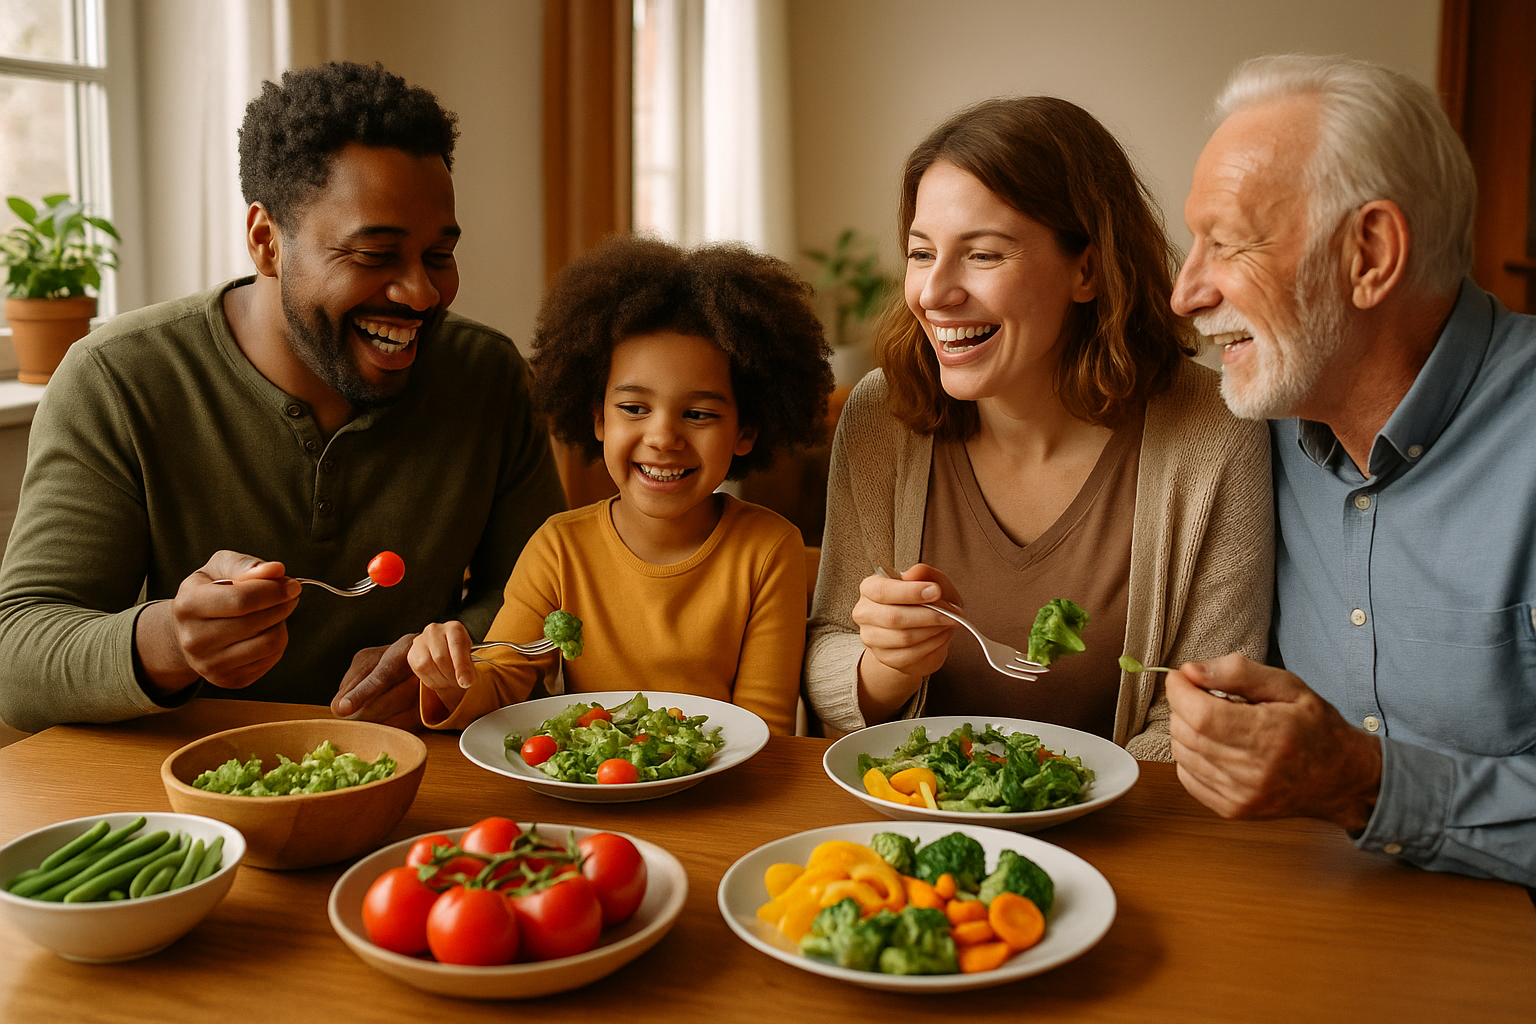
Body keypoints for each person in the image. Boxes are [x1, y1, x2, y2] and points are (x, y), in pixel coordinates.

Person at [0, 62, 565, 734]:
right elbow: (17, 658)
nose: (421, 293)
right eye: (374, 255)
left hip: (419, 769)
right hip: (191, 777)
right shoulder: (118, 379)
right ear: (266, 241)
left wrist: (451, 660)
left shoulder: (489, 377)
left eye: (438, 256)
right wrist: (172, 642)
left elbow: (546, 602)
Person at [804, 97, 1273, 758]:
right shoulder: (883, 414)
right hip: (911, 810)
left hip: (1126, 820)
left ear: (1087, 269)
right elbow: (829, 646)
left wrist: (1055, 800)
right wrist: (884, 667)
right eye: (921, 253)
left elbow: (1207, 706)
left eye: (983, 255)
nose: (933, 293)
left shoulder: (1214, 431)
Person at [1166, 53, 1536, 887]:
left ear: (1369, 253)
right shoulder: (1250, 426)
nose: (1186, 292)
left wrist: (1364, 784)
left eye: (1227, 243)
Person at [406, 235, 834, 736]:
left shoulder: (768, 549)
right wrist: (449, 677)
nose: (663, 437)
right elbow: (499, 682)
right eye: (634, 408)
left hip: (723, 777)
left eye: (698, 414)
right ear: (598, 418)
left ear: (746, 431)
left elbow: (765, 726)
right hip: (592, 779)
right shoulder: (559, 547)